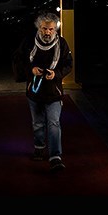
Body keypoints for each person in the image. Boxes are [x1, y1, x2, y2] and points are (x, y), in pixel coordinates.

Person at [12, 11, 73, 172]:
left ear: (56, 29)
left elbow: (68, 64)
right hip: (34, 90)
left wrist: (56, 74)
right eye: (44, 28)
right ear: (39, 28)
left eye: (51, 29)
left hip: (54, 91)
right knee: (38, 123)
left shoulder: (62, 43)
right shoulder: (28, 42)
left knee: (54, 123)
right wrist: (30, 69)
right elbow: (18, 59)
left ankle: (55, 157)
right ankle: (39, 147)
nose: (47, 32)